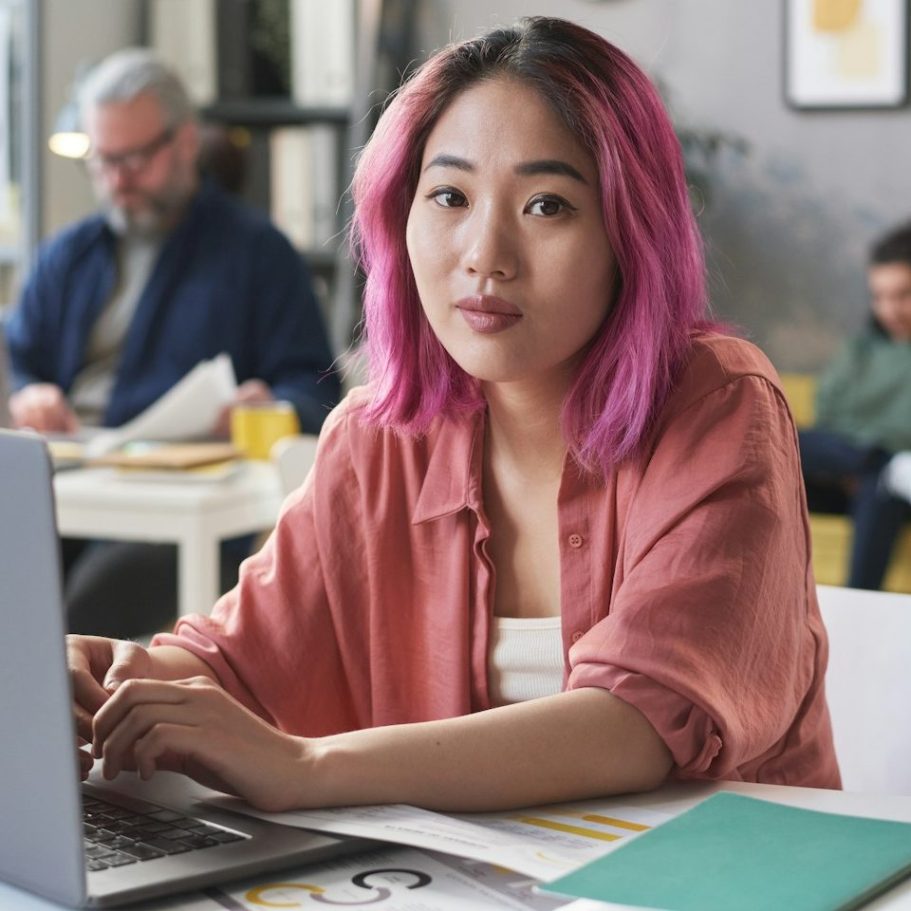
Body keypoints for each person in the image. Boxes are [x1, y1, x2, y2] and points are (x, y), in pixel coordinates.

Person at [69, 18, 839, 814]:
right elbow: (238, 662)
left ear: (628, 233)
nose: (484, 255)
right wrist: (113, 677)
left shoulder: (718, 405)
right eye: (449, 196)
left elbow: (638, 721)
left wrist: (309, 766)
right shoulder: (376, 438)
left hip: (711, 866)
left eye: (546, 205)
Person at [5, 48, 340, 637]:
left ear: (185, 142)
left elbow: (316, 386)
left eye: (134, 159)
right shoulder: (68, 255)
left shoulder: (257, 253)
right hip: (71, 480)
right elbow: (21, 357)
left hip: (178, 503)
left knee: (76, 620)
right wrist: (29, 392)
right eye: (102, 161)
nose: (117, 181)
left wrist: (271, 406)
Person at [798, 222, 911, 591]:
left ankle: (858, 608)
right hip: (842, 469)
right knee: (776, 438)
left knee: (883, 487)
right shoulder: (858, 350)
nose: (889, 309)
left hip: (892, 490)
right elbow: (828, 414)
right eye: (879, 296)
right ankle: (877, 462)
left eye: (903, 294)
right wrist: (859, 457)